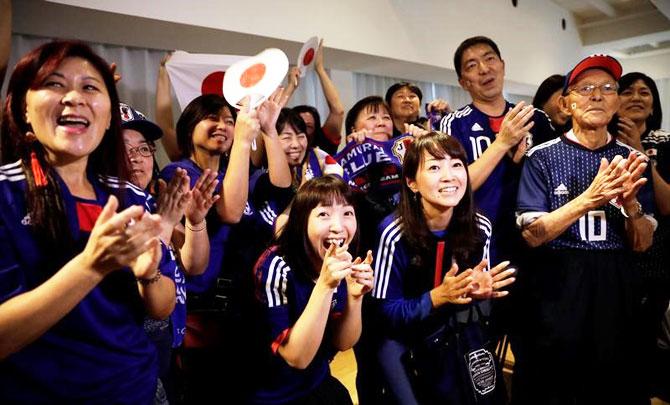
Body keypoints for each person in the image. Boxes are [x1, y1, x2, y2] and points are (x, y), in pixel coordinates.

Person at [0, 40, 176, 403]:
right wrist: (90, 266)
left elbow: (162, 306)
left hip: (139, 388)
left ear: (109, 116)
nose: (74, 98)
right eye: (54, 84)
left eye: (90, 87)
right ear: (23, 109)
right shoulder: (4, 195)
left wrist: (148, 275)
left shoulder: (133, 198)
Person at [515, 55, 656, 404]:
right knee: (555, 382)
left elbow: (642, 243)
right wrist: (589, 198)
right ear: (567, 102)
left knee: (616, 379)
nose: (597, 96)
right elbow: (532, 235)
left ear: (617, 101)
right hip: (558, 277)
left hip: (616, 278)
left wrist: (631, 206)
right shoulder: (542, 156)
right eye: (586, 88)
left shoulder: (632, 157)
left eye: (608, 88)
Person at [371, 131, 515, 404]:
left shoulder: (480, 226)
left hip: (459, 332)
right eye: (435, 167)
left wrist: (480, 295)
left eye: (456, 165)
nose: (449, 176)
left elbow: (478, 302)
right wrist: (437, 297)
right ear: (412, 182)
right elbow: (384, 313)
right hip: (404, 340)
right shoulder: (393, 232)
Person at [121, 101, 219, 403]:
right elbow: (147, 302)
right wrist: (164, 226)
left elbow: (194, 264)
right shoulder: (107, 207)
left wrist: (195, 221)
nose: (135, 159)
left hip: (170, 343)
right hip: (133, 355)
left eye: (143, 149)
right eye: (123, 149)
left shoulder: (156, 200)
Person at [252, 174, 373, 404]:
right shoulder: (276, 266)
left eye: (347, 213)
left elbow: (343, 343)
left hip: (316, 382)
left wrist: (355, 297)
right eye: (323, 214)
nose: (338, 226)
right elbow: (296, 358)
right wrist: (325, 285)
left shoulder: (340, 260)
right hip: (272, 395)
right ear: (301, 221)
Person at [611, 71, 670, 400]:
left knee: (643, 345)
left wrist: (639, 152)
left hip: (655, 262)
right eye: (627, 91)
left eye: (644, 92)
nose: (635, 97)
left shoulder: (666, 143)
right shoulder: (601, 141)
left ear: (653, 104)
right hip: (611, 258)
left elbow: (667, 205)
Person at [284, 39, 345, 156]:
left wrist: (320, 69)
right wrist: (291, 87)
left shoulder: (323, 146)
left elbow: (338, 111)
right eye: (298, 124)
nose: (302, 130)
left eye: (308, 126)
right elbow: (271, 117)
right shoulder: (281, 147)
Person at [385, 82, 451, 136]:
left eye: (412, 96)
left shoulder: (430, 125)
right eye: (400, 96)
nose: (407, 100)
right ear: (388, 105)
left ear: (420, 105)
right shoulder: (383, 130)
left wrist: (449, 116)